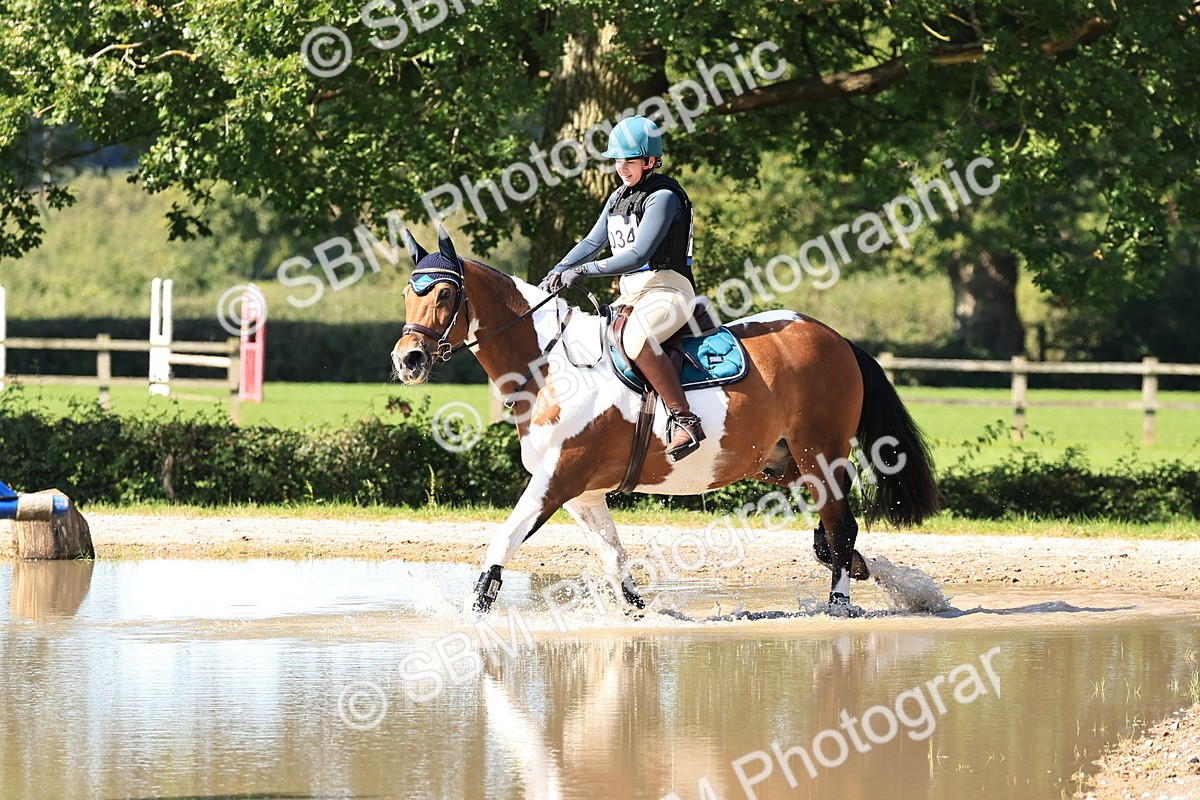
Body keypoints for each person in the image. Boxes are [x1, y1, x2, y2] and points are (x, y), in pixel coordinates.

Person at [539, 115, 704, 462]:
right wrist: (558, 269)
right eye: (617, 160)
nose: (621, 167)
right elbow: (591, 242)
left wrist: (582, 272)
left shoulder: (663, 197)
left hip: (668, 289)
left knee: (635, 338)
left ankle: (684, 420)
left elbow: (638, 254)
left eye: (629, 160)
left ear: (650, 161)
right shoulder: (618, 197)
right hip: (631, 294)